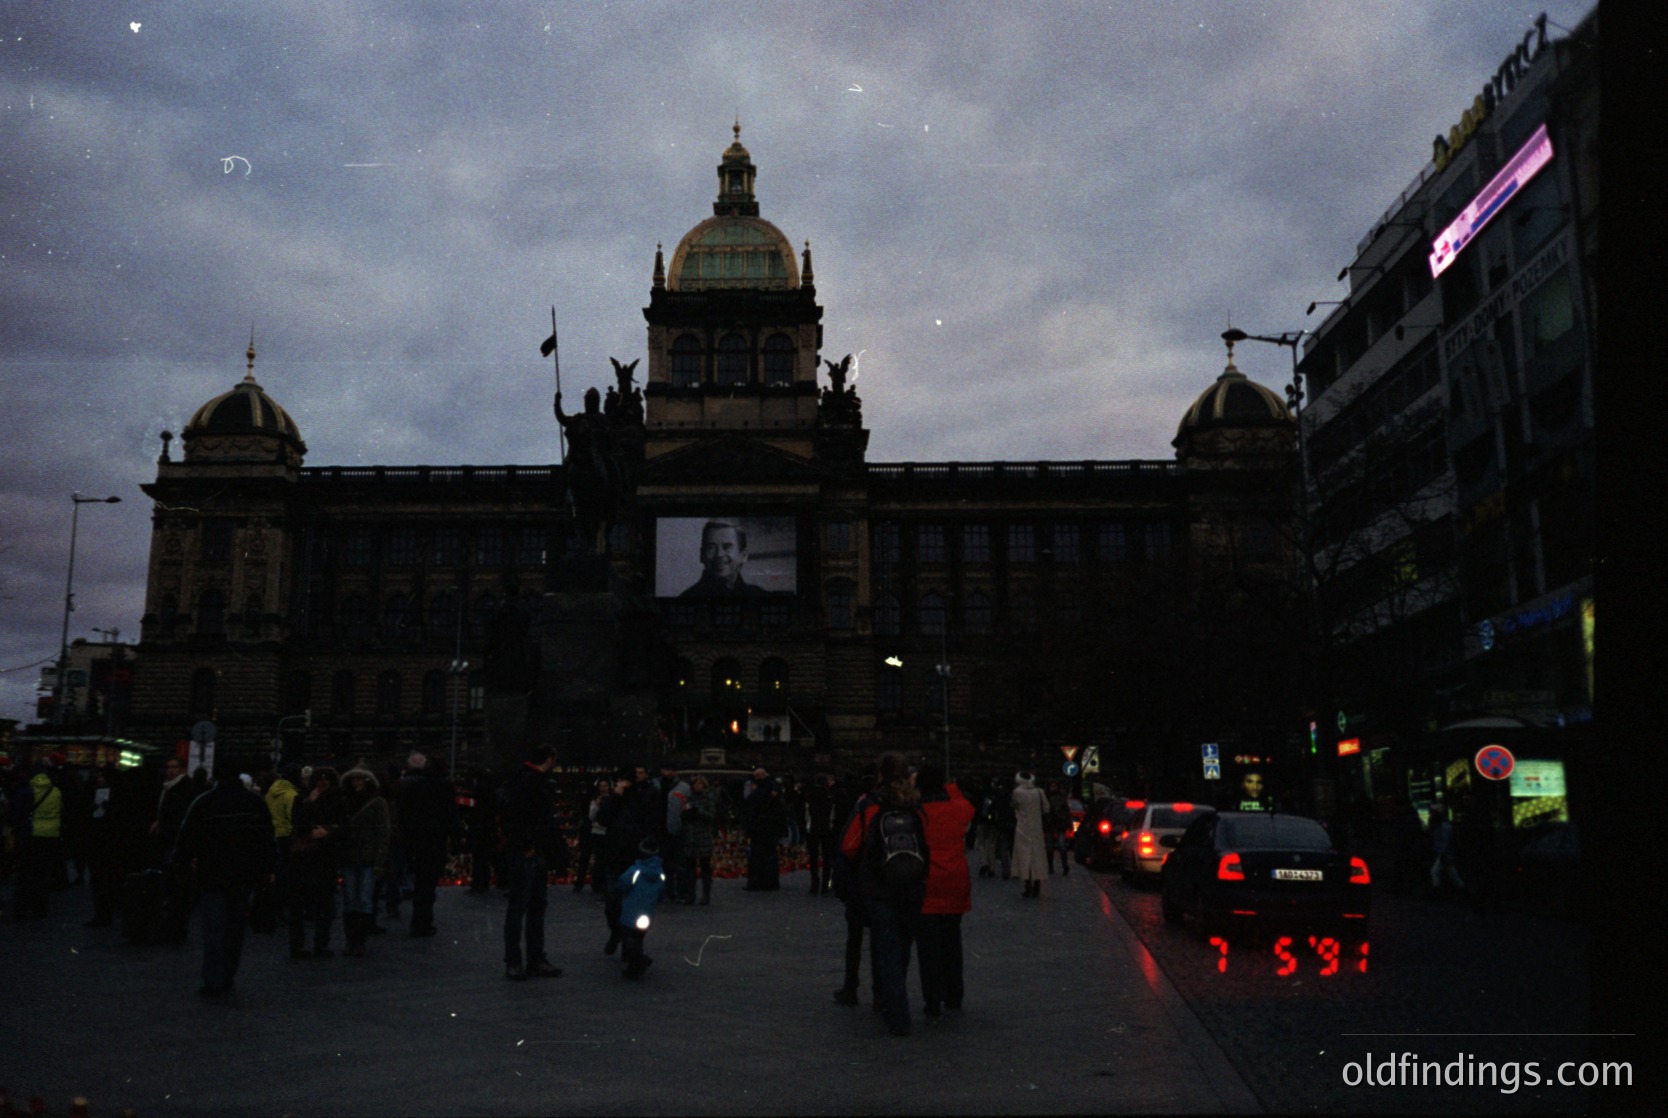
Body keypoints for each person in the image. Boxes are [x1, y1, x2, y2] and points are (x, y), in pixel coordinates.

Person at [840, 751, 928, 1037]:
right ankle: (892, 1000)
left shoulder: (869, 804)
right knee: (903, 947)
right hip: (913, 885)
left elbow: (850, 846)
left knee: (886, 947)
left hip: (879, 886)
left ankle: (897, 1012)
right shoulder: (916, 804)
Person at [172, 760, 277, 997]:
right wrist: (269, 869)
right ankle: (228, 975)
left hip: (212, 875)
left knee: (213, 930)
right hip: (243, 876)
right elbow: (266, 839)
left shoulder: (205, 802)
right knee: (234, 929)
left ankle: (213, 980)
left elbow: (187, 838)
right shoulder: (254, 803)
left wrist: (181, 863)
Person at [915, 764, 974, 1017]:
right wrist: (951, 786)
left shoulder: (918, 813)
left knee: (928, 946)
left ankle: (932, 998)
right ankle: (954, 994)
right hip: (955, 882)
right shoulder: (957, 808)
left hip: (926, 883)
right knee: (952, 941)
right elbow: (968, 806)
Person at [500, 746, 564, 980]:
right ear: (549, 759)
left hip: (530, 850)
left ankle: (524, 960)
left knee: (529, 907)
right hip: (528, 851)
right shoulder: (530, 781)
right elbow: (516, 817)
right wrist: (527, 845)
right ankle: (523, 960)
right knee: (526, 908)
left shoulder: (524, 779)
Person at [287, 767, 347, 959]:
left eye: (326, 779)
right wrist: (309, 803)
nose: (322, 782)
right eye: (319, 779)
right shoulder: (302, 799)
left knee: (324, 904)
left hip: (325, 857)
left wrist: (328, 832)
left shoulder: (338, 800)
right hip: (304, 857)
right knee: (300, 904)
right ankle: (298, 946)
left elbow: (344, 826)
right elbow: (296, 822)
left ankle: (321, 944)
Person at [396, 751, 455, 937]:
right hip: (435, 840)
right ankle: (424, 921)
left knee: (420, 882)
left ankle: (418, 921)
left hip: (417, 840)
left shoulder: (418, 785)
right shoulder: (445, 786)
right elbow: (450, 814)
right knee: (428, 885)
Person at [339, 766, 391, 958]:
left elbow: (383, 833)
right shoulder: (345, 802)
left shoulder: (378, 803)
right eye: (354, 780)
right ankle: (351, 940)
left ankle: (359, 941)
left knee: (363, 900)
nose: (357, 783)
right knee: (351, 901)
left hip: (367, 858)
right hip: (350, 857)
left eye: (360, 780)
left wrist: (380, 860)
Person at [152, 755, 199, 942]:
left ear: (181, 769)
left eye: (173, 767)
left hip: (175, 843)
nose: (170, 770)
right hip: (171, 841)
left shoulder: (181, 789)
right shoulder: (170, 787)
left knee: (176, 886)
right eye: (168, 767)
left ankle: (177, 928)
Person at [609, 836, 666, 979]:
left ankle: (638, 960)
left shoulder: (636, 871)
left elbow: (622, 884)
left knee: (628, 936)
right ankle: (633, 967)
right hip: (648, 912)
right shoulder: (660, 874)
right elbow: (661, 892)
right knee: (639, 937)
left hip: (631, 911)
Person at [679, 521, 770, 597]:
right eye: (711, 547)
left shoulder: (760, 596)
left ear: (743, 555)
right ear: (701, 555)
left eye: (727, 547)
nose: (719, 554)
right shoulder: (686, 598)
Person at [742, 768, 785, 891]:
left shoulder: (760, 791)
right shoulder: (772, 787)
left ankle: (758, 881)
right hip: (769, 827)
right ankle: (769, 881)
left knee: (758, 855)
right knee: (769, 855)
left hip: (760, 827)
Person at [657, 762, 692, 904]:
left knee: (679, 863)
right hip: (660, 830)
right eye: (666, 769)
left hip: (677, 830)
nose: (669, 772)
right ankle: (667, 891)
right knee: (663, 863)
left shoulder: (684, 787)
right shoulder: (656, 786)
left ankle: (681, 891)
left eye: (671, 770)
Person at [1011, 771, 1049, 898]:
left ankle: (1027, 886)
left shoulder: (1017, 792)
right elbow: (1046, 808)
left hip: (1022, 828)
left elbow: (1014, 806)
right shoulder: (1039, 792)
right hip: (1037, 828)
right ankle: (1037, 884)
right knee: (1037, 856)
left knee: (1024, 856)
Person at [683, 774, 720, 905]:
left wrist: (697, 810)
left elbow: (711, 815)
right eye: (695, 784)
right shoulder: (689, 798)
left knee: (705, 866)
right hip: (691, 835)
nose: (697, 786)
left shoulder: (708, 798)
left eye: (700, 784)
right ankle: (690, 894)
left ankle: (706, 895)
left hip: (703, 835)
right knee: (690, 867)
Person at [572, 778, 611, 895]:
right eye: (601, 786)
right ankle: (585, 883)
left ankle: (594, 883)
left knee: (598, 859)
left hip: (603, 831)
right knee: (588, 857)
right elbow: (590, 816)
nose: (603, 789)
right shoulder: (594, 800)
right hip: (594, 831)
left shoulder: (611, 799)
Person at [803, 773, 838, 896]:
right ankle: (826, 884)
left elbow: (807, 816)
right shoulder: (829, 797)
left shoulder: (810, 797)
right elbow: (832, 816)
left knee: (813, 857)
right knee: (827, 858)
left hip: (813, 828)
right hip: (826, 829)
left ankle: (814, 884)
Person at [1043, 779, 1071, 876]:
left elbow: (1066, 811)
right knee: (1051, 847)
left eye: (1055, 786)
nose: (1053, 788)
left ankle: (1064, 866)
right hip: (1051, 824)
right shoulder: (1047, 797)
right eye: (1052, 786)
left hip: (1058, 824)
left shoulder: (1058, 797)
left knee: (1061, 846)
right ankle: (1052, 866)